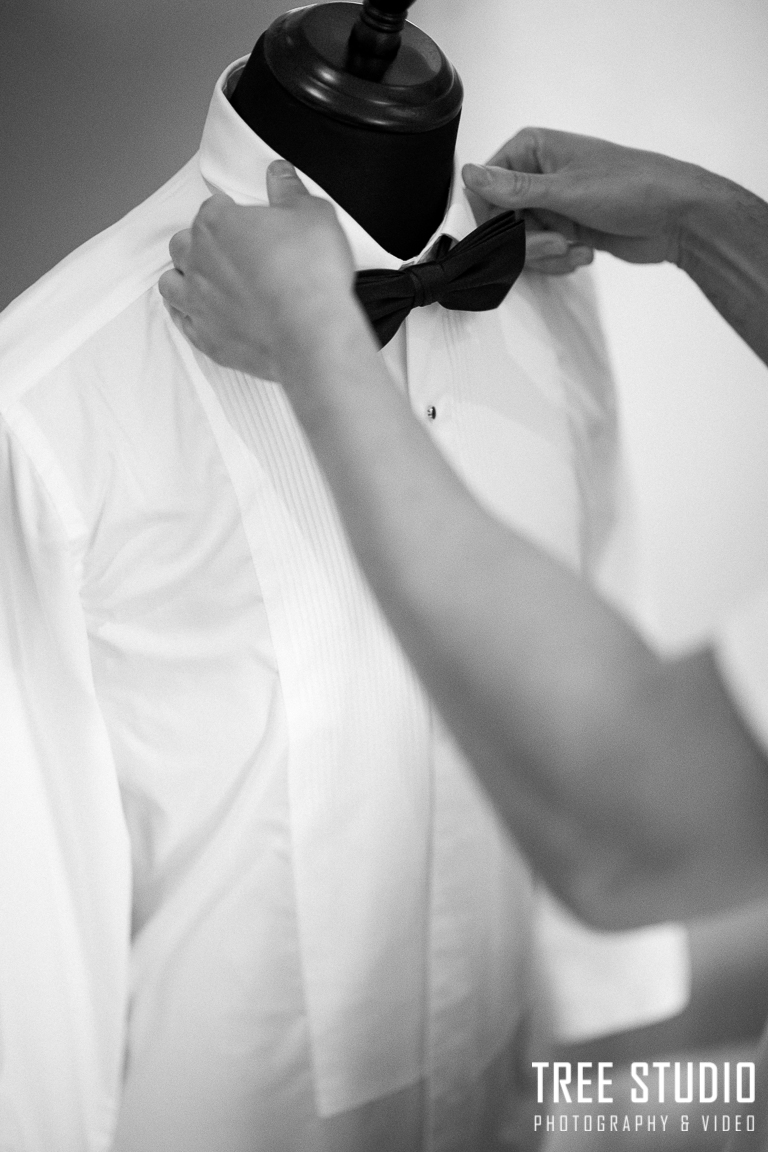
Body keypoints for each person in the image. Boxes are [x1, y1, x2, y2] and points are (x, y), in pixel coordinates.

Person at [0, 58, 635, 1147]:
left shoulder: (545, 287)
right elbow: (30, 919)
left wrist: (603, 1070)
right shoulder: (45, 400)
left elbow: (611, 716)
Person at [159, 128, 768, 1148]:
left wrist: (317, 341)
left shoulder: (544, 316)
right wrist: (714, 224)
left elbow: (628, 820)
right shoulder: (48, 396)